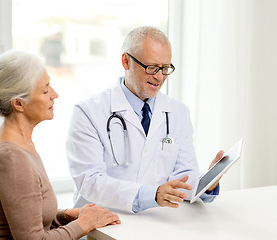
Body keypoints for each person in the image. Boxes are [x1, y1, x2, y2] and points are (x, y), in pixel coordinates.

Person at [66, 26, 225, 213]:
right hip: (99, 224)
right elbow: (90, 181)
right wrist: (152, 194)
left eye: (165, 68)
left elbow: (183, 175)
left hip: (153, 221)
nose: (159, 77)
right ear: (126, 61)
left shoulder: (178, 112)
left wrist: (206, 183)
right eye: (152, 67)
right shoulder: (88, 111)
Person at [0, 50, 120, 239]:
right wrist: (84, 224)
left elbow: (32, 219)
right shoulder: (11, 158)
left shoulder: (19, 144)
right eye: (45, 90)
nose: (55, 94)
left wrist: (67, 215)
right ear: (19, 104)